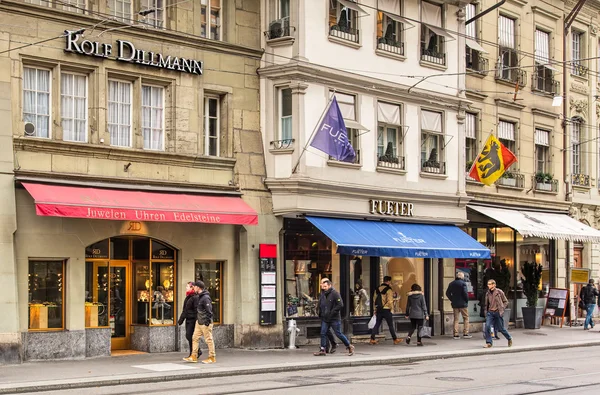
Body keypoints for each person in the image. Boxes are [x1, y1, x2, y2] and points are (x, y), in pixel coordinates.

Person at [313, 278, 355, 356]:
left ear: (329, 285)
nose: (324, 288)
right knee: (323, 333)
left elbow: (340, 304)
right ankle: (323, 349)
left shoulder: (335, 293)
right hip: (325, 317)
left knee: (338, 333)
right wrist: (319, 311)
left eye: (325, 286)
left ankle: (349, 346)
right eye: (323, 286)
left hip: (334, 318)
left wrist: (332, 312)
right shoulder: (323, 294)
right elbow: (321, 303)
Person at [183, 281, 216, 364]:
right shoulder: (200, 297)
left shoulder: (205, 298)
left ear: (198, 287)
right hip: (199, 322)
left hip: (205, 322)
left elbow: (209, 311)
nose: (193, 288)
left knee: (208, 339)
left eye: (195, 287)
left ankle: (212, 357)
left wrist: (207, 322)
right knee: (194, 338)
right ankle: (193, 356)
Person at [370, 276, 402, 345]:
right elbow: (390, 301)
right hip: (386, 309)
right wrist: (392, 309)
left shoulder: (377, 289)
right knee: (390, 325)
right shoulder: (389, 290)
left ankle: (372, 339)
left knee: (377, 324)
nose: (390, 283)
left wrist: (375, 309)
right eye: (390, 281)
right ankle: (395, 339)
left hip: (379, 309)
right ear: (388, 281)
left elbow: (374, 300)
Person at [483, 279, 513, 348]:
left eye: (490, 284)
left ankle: (509, 338)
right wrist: (486, 312)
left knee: (501, 328)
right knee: (487, 326)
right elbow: (486, 304)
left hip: (498, 312)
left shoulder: (499, 292)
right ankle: (489, 342)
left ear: (494, 285)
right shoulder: (487, 293)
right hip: (490, 312)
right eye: (488, 284)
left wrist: (502, 308)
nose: (488, 285)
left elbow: (506, 301)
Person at [177, 282, 202, 359]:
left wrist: (196, 319)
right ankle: (195, 351)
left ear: (192, 288)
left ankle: (194, 353)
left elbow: (195, 310)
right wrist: (181, 319)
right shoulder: (188, 297)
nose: (186, 288)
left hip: (193, 320)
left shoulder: (195, 297)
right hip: (188, 319)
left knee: (190, 336)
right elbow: (185, 310)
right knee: (189, 336)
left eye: (187, 286)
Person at [446, 271, 472, 339]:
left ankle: (456, 334)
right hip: (463, 304)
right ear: (462, 277)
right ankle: (465, 333)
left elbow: (447, 293)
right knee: (466, 318)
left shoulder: (451, 283)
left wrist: (452, 299)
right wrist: (466, 300)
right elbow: (465, 294)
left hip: (455, 304)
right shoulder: (463, 284)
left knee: (456, 319)